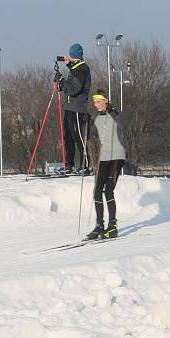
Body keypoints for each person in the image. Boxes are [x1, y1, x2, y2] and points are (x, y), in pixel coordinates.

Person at [86, 90, 127, 240]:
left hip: (117, 155)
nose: (96, 104)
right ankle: (99, 226)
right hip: (105, 156)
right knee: (97, 190)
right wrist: (87, 124)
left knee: (108, 190)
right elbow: (92, 135)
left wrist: (112, 113)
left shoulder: (115, 113)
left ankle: (112, 226)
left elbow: (121, 126)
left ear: (106, 101)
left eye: (98, 101)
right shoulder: (98, 117)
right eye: (94, 102)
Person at [57, 43, 92, 174]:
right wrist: (62, 82)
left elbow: (74, 89)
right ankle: (69, 164)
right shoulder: (75, 68)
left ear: (74, 56)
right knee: (68, 137)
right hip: (69, 107)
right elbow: (70, 85)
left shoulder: (82, 69)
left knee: (78, 137)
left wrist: (63, 81)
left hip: (77, 108)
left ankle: (85, 165)